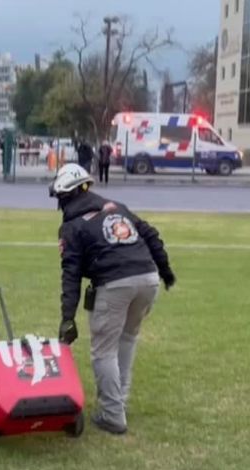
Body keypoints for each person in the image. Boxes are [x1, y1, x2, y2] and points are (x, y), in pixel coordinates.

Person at [50, 164, 175, 435]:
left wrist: (67, 316)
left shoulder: (72, 226)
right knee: (127, 340)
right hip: (148, 278)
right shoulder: (117, 207)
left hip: (115, 284)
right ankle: (119, 403)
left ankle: (112, 414)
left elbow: (70, 273)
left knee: (103, 350)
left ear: (66, 196)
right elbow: (150, 234)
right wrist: (165, 272)